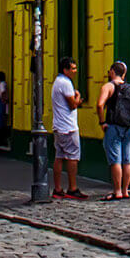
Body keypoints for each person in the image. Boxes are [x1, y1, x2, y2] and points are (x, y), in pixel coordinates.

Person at [97, 61, 130, 200]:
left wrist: (102, 122)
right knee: (127, 159)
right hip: (128, 127)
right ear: (124, 74)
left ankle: (117, 191)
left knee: (115, 160)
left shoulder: (109, 86)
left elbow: (100, 105)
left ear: (112, 71)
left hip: (114, 126)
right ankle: (125, 190)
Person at [50, 58, 85, 199]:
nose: (75, 71)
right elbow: (73, 105)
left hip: (58, 126)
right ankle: (72, 187)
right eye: (73, 68)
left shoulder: (57, 82)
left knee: (59, 156)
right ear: (65, 69)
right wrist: (78, 97)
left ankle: (58, 188)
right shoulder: (66, 83)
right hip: (68, 126)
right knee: (72, 157)